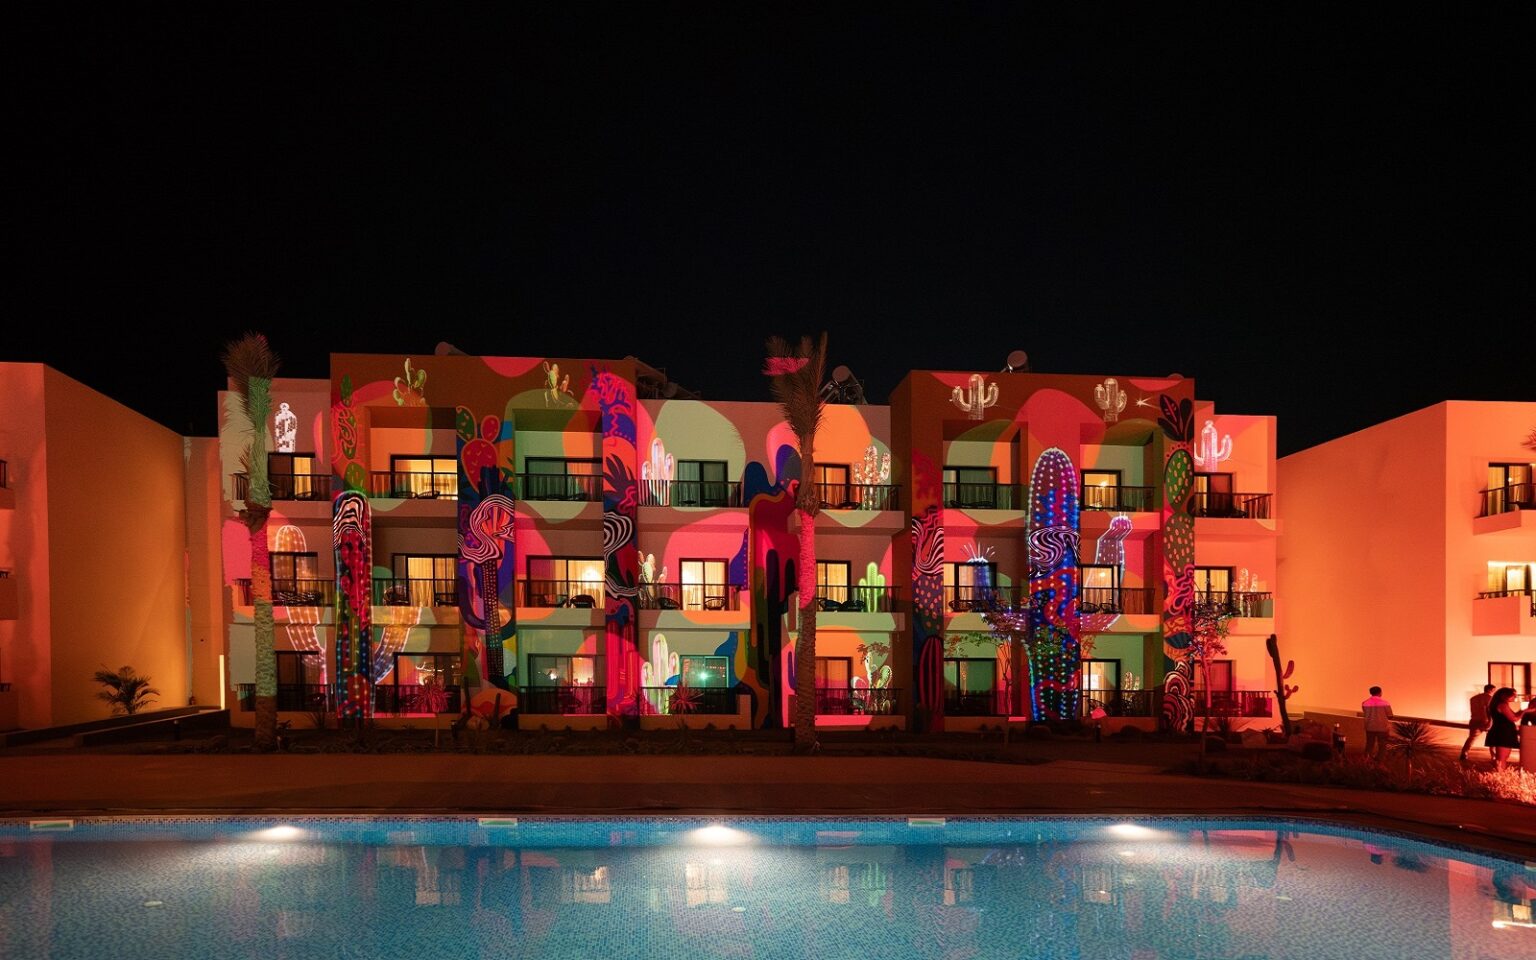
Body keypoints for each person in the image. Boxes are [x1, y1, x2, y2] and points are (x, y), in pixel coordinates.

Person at [1485, 687, 1529, 771]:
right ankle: (1500, 776)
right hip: (1503, 732)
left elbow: (1513, 715)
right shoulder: (1502, 705)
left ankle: (1500, 774)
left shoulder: (1498, 704)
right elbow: (1514, 718)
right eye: (1513, 696)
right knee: (1502, 758)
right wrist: (1525, 711)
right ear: (1504, 696)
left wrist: (1523, 710)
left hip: (1501, 730)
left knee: (1502, 757)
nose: (1515, 698)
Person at [1461, 683, 1496, 763]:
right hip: (1487, 721)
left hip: (1474, 720)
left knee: (1472, 738)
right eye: (1494, 690)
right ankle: (1493, 756)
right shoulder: (1491, 699)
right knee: (1492, 739)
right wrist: (1490, 721)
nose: (1494, 692)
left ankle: (1464, 752)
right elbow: (1489, 712)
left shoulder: (1473, 698)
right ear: (1490, 690)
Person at [1361, 686, 1394, 760]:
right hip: (1382, 728)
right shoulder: (1385, 703)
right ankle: (1379, 762)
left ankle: (1366, 761)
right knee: (1382, 746)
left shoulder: (1364, 703)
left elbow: (1365, 713)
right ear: (1380, 692)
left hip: (1369, 727)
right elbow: (1390, 716)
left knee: (1369, 745)